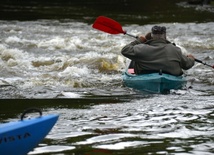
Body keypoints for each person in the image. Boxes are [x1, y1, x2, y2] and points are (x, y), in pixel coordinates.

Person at [121, 25, 195, 76]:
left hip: (144, 75)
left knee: (134, 59)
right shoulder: (175, 49)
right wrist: (191, 58)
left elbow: (124, 50)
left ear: (151, 37)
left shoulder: (141, 48)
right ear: (165, 36)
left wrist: (139, 40)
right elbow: (186, 65)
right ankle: (131, 72)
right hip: (170, 76)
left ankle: (131, 73)